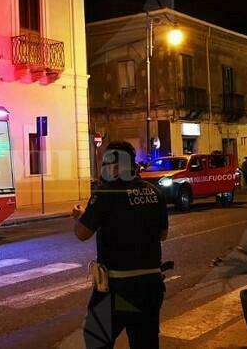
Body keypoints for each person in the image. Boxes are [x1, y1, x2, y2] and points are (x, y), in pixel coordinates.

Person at [73, 141, 169, 349]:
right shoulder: (154, 192)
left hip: (118, 287)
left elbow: (82, 233)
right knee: (145, 343)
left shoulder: (105, 193)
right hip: (151, 285)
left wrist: (80, 218)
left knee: (96, 340)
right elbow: (163, 234)